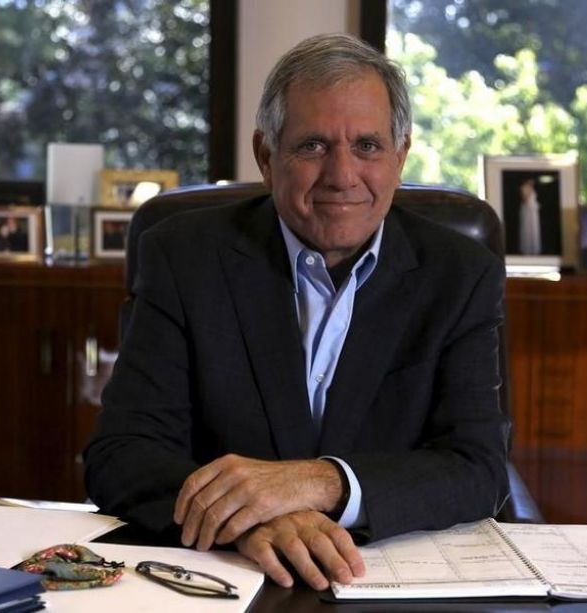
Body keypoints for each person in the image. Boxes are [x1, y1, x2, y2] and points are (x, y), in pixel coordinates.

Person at [84, 33, 509, 591]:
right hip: (226, 577)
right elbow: (122, 453)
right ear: (266, 156)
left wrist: (321, 482)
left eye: (367, 146)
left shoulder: (460, 273)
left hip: (385, 580)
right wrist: (249, 519)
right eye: (312, 146)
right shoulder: (183, 257)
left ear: (400, 156)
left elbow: (477, 468)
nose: (342, 175)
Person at [518, 178, 542, 255]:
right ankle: (527, 249)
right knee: (527, 229)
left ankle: (534, 249)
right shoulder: (524, 188)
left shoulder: (532, 188)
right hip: (528, 211)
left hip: (533, 212)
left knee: (534, 229)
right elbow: (524, 199)